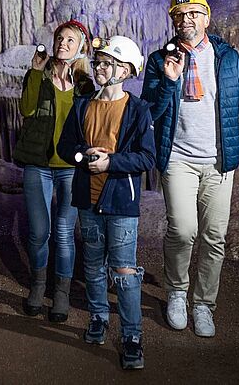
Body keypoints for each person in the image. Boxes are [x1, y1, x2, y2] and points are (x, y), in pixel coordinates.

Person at [141, 0, 239, 337]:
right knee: (183, 230)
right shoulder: (159, 60)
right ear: (173, 20)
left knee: (214, 237)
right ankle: (176, 293)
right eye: (180, 15)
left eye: (194, 14)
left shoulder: (228, 58)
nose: (187, 20)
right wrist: (169, 82)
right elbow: (149, 114)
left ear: (206, 17)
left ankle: (203, 304)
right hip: (178, 159)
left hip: (219, 162)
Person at [58, 36, 155, 370]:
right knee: (94, 265)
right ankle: (98, 317)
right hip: (88, 198)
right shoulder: (83, 104)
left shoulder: (138, 109)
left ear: (125, 70)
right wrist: (82, 156)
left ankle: (132, 336)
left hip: (121, 203)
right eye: (98, 63)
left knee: (124, 271)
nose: (99, 68)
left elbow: (147, 158)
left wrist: (111, 163)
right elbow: (64, 147)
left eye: (107, 64)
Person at [13, 20, 94, 322]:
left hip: (70, 167)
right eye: (60, 38)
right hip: (39, 163)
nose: (62, 44)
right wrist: (35, 71)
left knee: (63, 232)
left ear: (80, 48)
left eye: (70, 41)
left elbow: (92, 119)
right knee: (38, 232)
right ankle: (37, 285)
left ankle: (60, 293)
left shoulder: (84, 83)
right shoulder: (39, 76)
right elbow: (27, 109)